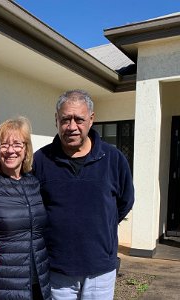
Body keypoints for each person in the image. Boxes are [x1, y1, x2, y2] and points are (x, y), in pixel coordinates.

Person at [32, 89, 135, 300]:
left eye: (79, 119)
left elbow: (125, 201)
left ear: (91, 119)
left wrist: (99, 227)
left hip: (100, 269)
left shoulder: (113, 159)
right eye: (65, 119)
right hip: (58, 268)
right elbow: (34, 208)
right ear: (56, 120)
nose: (71, 127)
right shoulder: (41, 160)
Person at [0, 116, 51, 300]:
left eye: (17, 144)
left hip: (38, 279)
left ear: (26, 149)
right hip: (3, 284)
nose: (10, 150)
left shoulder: (33, 183)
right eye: (4, 144)